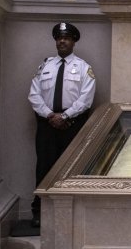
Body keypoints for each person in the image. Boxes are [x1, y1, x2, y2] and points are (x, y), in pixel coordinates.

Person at [28, 22, 96, 227]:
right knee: (44, 167)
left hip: (73, 125)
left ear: (74, 41)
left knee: (71, 169)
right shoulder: (45, 67)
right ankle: (39, 211)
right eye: (59, 38)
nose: (62, 41)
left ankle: (71, 214)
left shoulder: (84, 68)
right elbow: (34, 95)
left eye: (66, 38)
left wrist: (65, 116)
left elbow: (86, 98)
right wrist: (50, 115)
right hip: (47, 125)